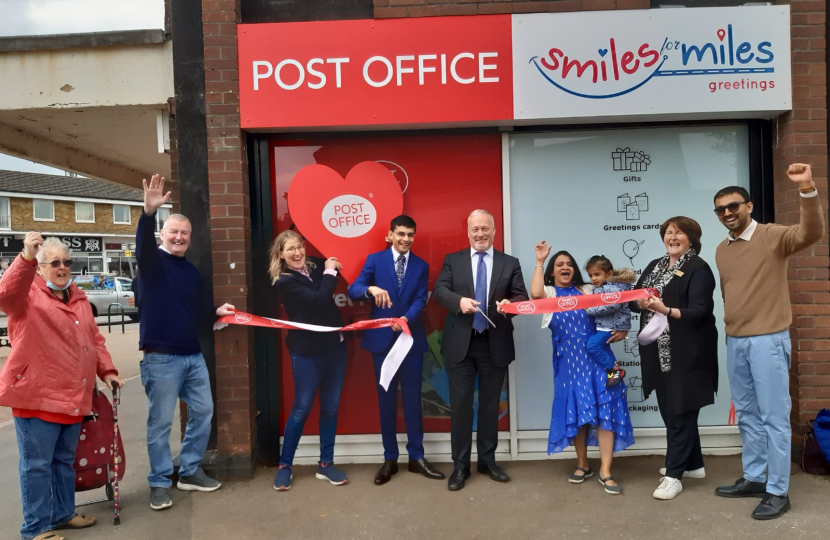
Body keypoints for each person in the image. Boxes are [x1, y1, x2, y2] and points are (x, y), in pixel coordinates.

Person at [713, 163, 825, 520]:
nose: (728, 213)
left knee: (774, 417)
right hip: (736, 341)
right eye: (720, 209)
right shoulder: (721, 249)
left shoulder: (773, 236)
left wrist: (806, 188)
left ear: (749, 207)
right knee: (747, 414)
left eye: (734, 206)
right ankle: (755, 477)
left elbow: (811, 232)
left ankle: (778, 491)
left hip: (768, 341)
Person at [0, 233, 124, 540]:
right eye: (54, 262)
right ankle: (36, 528)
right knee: (37, 466)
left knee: (63, 462)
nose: (62, 267)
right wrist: (25, 257)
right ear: (40, 268)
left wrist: (106, 370)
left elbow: (94, 340)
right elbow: (5, 295)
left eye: (67, 262)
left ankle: (62, 514)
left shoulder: (78, 297)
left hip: (72, 396)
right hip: (36, 397)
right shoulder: (26, 295)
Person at [137, 175, 235, 511]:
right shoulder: (151, 266)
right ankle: (159, 482)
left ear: (189, 239)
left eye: (184, 234)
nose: (179, 237)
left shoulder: (191, 272)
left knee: (204, 412)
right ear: (163, 234)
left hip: (193, 356)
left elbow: (196, 310)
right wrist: (148, 214)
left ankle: (190, 470)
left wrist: (216, 312)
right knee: (160, 424)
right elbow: (143, 249)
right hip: (160, 359)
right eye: (173, 232)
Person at [433, 209, 528, 491]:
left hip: (494, 342)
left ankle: (487, 461)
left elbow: (521, 296)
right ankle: (460, 467)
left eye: (485, 228)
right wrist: (459, 301)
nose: (480, 234)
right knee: (461, 407)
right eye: (475, 229)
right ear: (468, 232)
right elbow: (439, 290)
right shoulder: (453, 260)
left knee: (489, 406)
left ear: (494, 230)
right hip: (461, 344)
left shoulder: (510, 263)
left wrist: (508, 308)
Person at [348, 215, 444, 485]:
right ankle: (390, 458)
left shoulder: (421, 265)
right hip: (381, 342)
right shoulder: (375, 261)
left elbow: (419, 300)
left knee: (414, 399)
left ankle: (417, 457)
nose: (405, 239)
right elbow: (353, 289)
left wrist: (404, 320)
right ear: (390, 235)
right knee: (386, 401)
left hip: (409, 340)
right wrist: (370, 288)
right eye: (400, 234)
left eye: (410, 235)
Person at [532, 244, 633, 495]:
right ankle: (582, 464)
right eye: (559, 265)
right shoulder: (549, 292)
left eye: (569, 264)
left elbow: (617, 302)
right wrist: (540, 260)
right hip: (569, 364)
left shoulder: (588, 289)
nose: (565, 267)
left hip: (599, 361)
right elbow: (534, 294)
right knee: (578, 414)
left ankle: (606, 471)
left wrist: (623, 328)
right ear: (552, 273)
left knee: (606, 410)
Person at [630, 217, 718, 501]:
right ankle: (692, 464)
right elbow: (634, 299)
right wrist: (641, 302)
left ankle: (674, 475)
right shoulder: (655, 265)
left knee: (681, 411)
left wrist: (666, 309)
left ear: (691, 237)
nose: (672, 236)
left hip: (688, 353)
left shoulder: (698, 268)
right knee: (671, 409)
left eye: (679, 232)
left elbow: (700, 311)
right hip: (658, 352)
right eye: (668, 232)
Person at [271, 230, 350, 491]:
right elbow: (319, 299)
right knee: (301, 408)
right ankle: (285, 466)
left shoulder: (315, 268)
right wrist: (329, 273)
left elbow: (336, 257)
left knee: (331, 407)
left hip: (335, 348)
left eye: (300, 247)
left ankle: (325, 464)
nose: (297, 253)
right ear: (281, 254)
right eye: (291, 249)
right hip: (307, 352)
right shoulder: (284, 281)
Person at [584, 255, 635, 387]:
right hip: (605, 325)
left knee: (592, 346)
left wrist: (589, 310)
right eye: (590, 275)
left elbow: (611, 305)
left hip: (610, 326)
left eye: (597, 274)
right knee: (604, 349)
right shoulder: (604, 286)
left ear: (609, 274)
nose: (593, 278)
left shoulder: (613, 288)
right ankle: (614, 374)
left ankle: (613, 369)